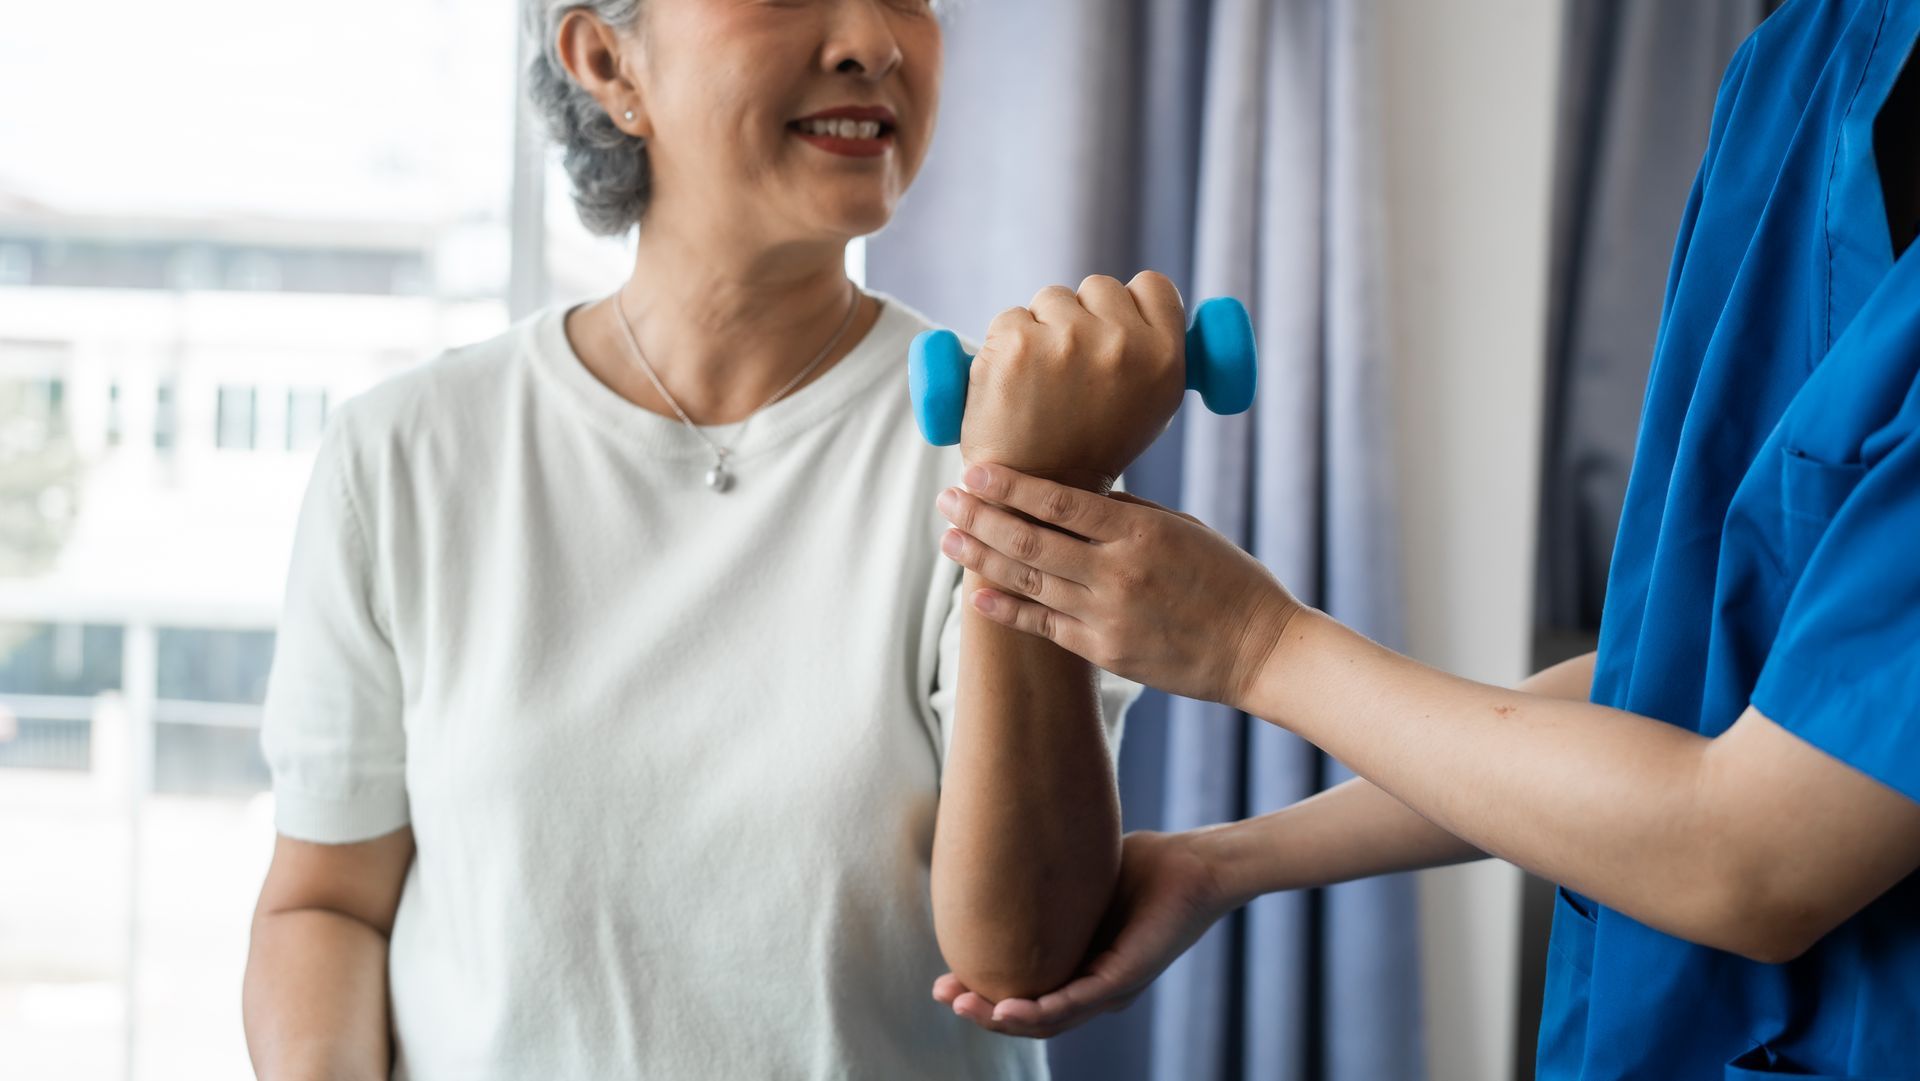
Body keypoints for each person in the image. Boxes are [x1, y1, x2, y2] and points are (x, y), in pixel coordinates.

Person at [928, 0, 1920, 1075]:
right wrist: (1231, 858)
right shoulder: (1803, 61)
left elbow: (1758, 850)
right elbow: (1709, 677)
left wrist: (1256, 646)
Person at [239, 2, 1169, 1077]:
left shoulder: (1008, 449)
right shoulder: (401, 454)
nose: (874, 40)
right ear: (605, 60)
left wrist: (1026, 489)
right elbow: (325, 902)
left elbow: (1021, 956)